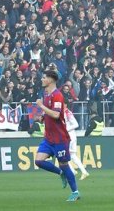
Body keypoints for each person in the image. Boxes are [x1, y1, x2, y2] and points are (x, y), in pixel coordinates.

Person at [33, 67, 80, 202]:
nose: (41, 79)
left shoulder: (58, 95)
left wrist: (41, 106)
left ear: (51, 80)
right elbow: (49, 113)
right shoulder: (46, 93)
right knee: (39, 161)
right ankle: (60, 173)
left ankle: (75, 192)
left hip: (60, 138)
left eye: (43, 77)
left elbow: (55, 114)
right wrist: (43, 116)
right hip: (49, 138)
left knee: (64, 164)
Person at [63, 106, 90, 181]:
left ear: (65, 104)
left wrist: (66, 129)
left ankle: (73, 171)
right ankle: (84, 172)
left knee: (64, 155)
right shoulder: (64, 112)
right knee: (72, 155)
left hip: (69, 136)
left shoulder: (67, 113)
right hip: (71, 136)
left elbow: (76, 124)